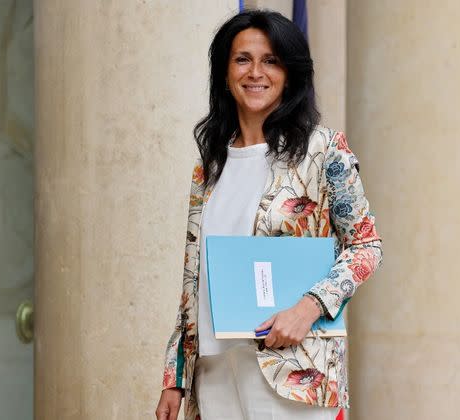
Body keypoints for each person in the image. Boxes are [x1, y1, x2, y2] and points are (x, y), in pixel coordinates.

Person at [155, 9, 382, 420]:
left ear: (289, 73)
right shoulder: (209, 169)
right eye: (242, 59)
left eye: (271, 60)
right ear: (225, 72)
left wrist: (309, 307)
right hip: (215, 370)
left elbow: (366, 246)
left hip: (293, 369)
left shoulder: (324, 150)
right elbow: (193, 280)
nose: (256, 72)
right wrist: (175, 376)